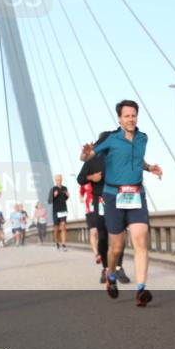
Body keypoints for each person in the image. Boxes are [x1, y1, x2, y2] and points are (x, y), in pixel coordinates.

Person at [81, 100, 162, 306]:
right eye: (127, 115)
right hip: (113, 196)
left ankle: (141, 290)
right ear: (120, 118)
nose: (131, 119)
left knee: (140, 239)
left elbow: (136, 160)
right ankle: (110, 274)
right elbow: (88, 156)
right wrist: (85, 152)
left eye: (133, 115)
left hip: (136, 194)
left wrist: (149, 167)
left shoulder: (143, 138)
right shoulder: (111, 139)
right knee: (116, 247)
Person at [77, 149, 129, 285]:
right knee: (103, 236)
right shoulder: (92, 160)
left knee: (120, 234)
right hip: (100, 200)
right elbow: (80, 179)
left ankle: (118, 268)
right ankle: (106, 269)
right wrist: (91, 177)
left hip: (118, 199)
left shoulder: (119, 158)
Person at [49, 174, 70, 250]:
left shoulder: (65, 188)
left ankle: (64, 244)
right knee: (56, 228)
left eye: (60, 179)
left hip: (63, 210)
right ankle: (57, 242)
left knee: (63, 226)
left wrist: (67, 196)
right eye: (57, 179)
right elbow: (49, 201)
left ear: (62, 180)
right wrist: (54, 195)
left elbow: (65, 199)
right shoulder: (53, 189)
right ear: (56, 180)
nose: (59, 181)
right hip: (56, 211)